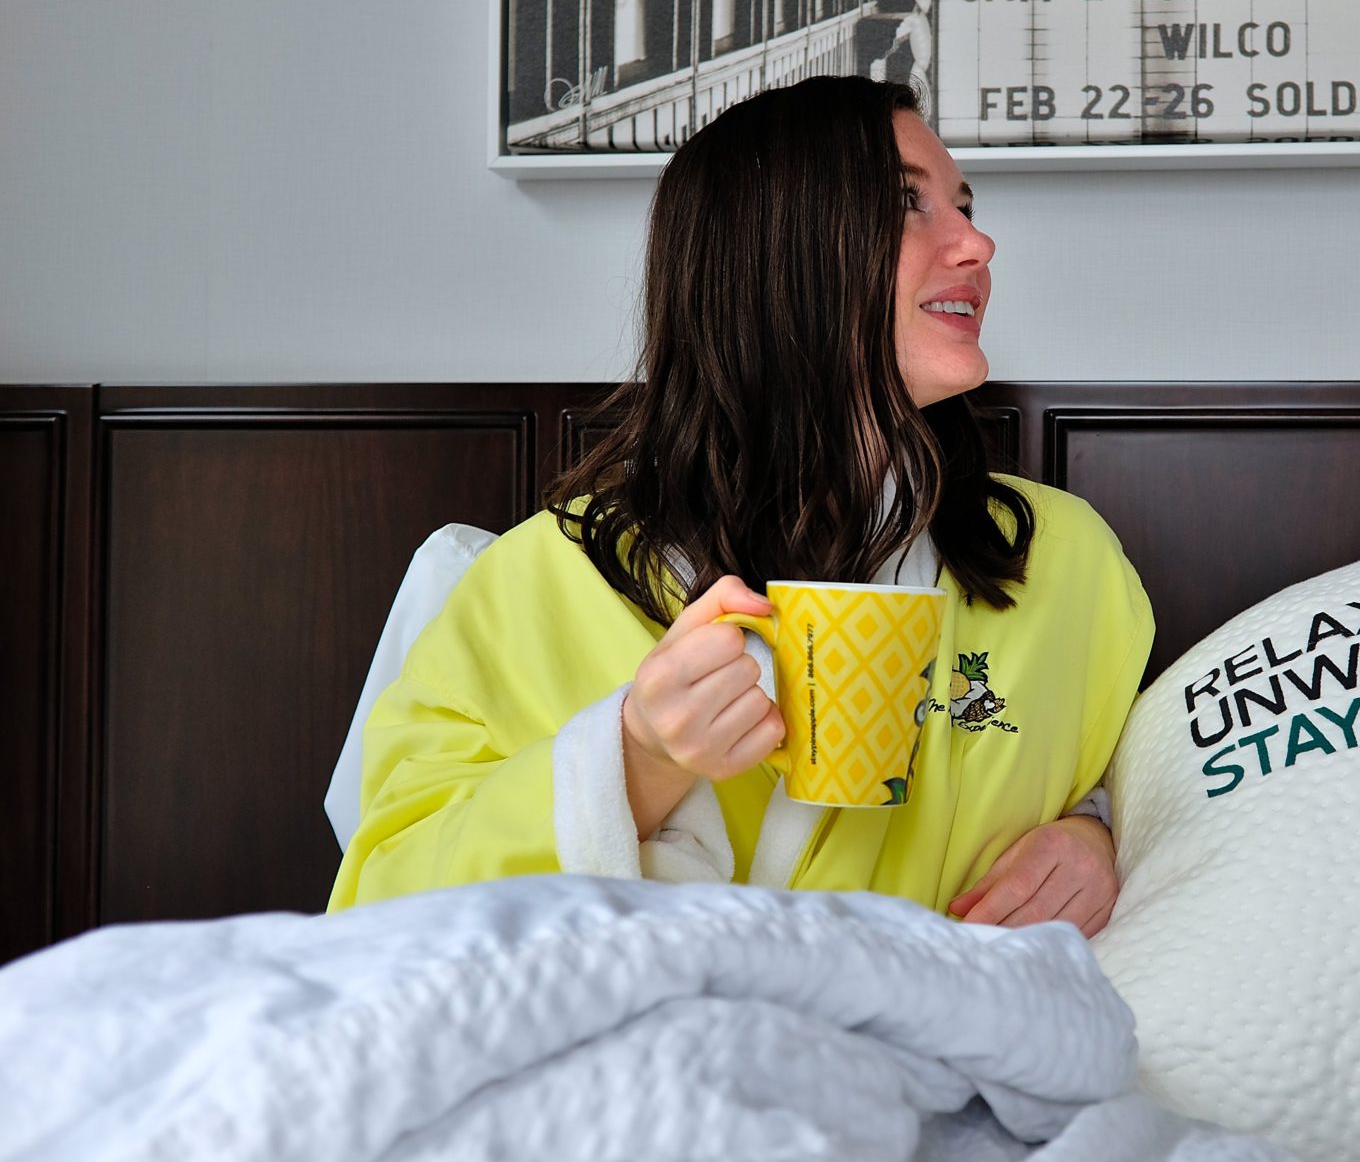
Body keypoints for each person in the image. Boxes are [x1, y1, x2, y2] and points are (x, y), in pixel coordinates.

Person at [328, 77, 1155, 939]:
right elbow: (382, 905)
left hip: (938, 1055)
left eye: (964, 205)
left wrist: (1099, 836)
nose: (977, 243)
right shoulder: (542, 583)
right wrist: (634, 759)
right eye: (908, 203)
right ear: (778, 253)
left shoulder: (1063, 563)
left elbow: (1156, 774)